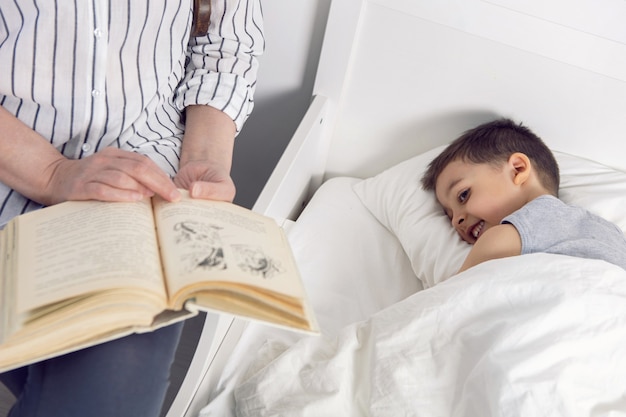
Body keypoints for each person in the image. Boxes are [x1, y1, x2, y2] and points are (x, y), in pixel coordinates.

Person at [0, 1, 264, 416]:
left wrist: (205, 161)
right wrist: (52, 173)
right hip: (9, 173)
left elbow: (224, 49)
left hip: (140, 188)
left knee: (111, 390)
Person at [421, 118, 626, 274]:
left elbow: (450, 302)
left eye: (463, 195)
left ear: (518, 169)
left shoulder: (502, 238)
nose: (457, 221)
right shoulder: (610, 231)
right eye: (449, 216)